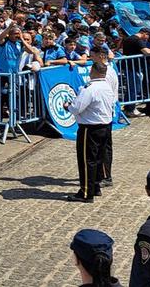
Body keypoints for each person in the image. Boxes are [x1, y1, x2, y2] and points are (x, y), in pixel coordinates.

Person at [67, 62, 116, 203]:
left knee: (87, 160)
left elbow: (77, 108)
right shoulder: (106, 86)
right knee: (99, 158)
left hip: (90, 128)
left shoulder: (89, 88)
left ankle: (86, 192)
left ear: (92, 71)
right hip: (105, 126)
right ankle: (95, 187)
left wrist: (67, 106)